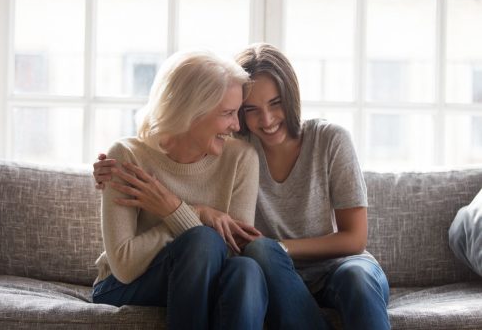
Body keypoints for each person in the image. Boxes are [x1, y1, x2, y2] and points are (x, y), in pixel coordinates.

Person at [94, 43, 390, 330]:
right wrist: (187, 212)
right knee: (237, 253)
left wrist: (276, 249)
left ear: (291, 96)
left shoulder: (314, 142)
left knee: (266, 263)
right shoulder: (234, 146)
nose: (266, 119)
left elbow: (353, 238)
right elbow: (169, 144)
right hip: (243, 268)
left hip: (323, 266)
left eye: (275, 103)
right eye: (247, 110)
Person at [91, 50, 268, 330]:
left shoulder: (241, 158)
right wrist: (195, 214)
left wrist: (174, 210)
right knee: (204, 241)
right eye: (227, 113)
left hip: (205, 276)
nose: (236, 125)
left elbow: (236, 252)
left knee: (246, 270)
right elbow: (124, 266)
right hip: (126, 285)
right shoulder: (128, 156)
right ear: (191, 112)